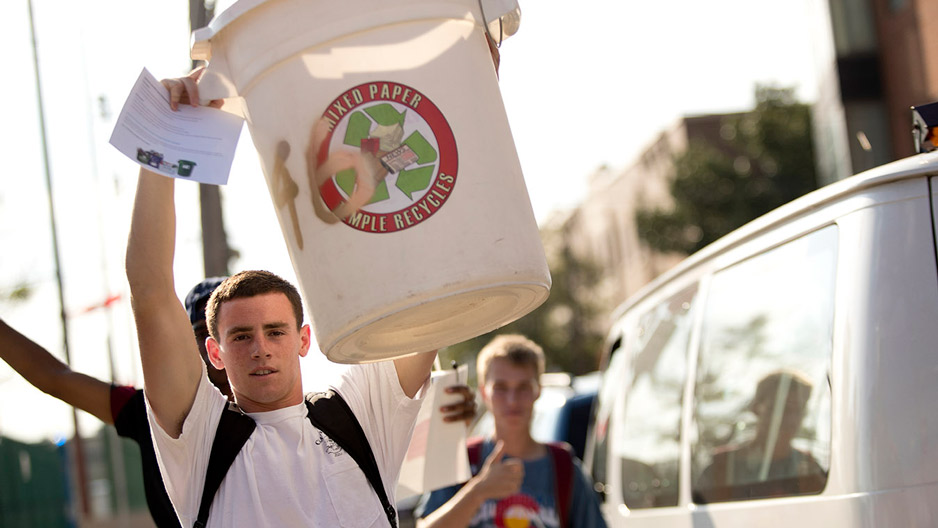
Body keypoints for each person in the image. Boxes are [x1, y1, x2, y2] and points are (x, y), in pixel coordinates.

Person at [123, 70, 442, 527]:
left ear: (304, 338)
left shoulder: (360, 413)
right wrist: (165, 132)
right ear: (214, 352)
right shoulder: (202, 440)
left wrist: (466, 88)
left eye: (275, 331)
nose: (260, 348)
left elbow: (433, 294)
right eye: (240, 336)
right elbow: (150, 291)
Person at [0, 277, 228, 528]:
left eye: (232, 330)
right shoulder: (152, 409)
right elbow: (54, 379)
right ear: (186, 342)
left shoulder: (274, 411)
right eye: (203, 332)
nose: (217, 343)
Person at [415, 334, 607, 528]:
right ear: (484, 392)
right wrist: (478, 491)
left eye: (523, 387)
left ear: (538, 390)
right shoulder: (462, 461)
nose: (512, 400)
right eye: (501, 388)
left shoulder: (564, 468)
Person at [694, 369, 825, 502]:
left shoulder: (809, 469)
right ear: (756, 408)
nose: (790, 419)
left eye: (798, 410)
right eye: (781, 408)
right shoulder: (722, 468)